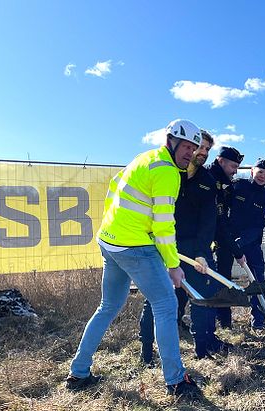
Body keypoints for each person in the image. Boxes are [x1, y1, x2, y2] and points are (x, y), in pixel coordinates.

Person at [66, 119, 201, 397]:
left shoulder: (145, 158)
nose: (190, 153)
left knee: (108, 306)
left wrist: (116, 230)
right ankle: (176, 381)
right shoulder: (167, 173)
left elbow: (113, 190)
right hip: (135, 246)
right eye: (186, 146)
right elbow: (164, 224)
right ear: (171, 142)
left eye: (194, 149)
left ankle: (78, 373)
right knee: (165, 304)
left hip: (110, 241)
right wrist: (173, 265)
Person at [139, 130, 229, 361]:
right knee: (157, 298)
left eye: (208, 149)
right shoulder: (168, 173)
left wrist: (201, 252)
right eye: (199, 146)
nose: (203, 153)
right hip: (161, 245)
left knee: (200, 297)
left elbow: (208, 222)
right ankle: (147, 352)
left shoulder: (208, 183)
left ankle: (201, 349)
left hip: (192, 249)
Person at [228, 158, 265, 329]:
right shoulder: (238, 185)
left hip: (251, 243)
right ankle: (223, 321)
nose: (263, 176)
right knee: (221, 278)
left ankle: (258, 320)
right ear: (253, 171)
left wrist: (242, 243)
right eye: (260, 172)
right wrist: (230, 241)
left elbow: (260, 225)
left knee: (258, 281)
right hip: (228, 239)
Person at [208, 146, 246, 329]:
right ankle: (186, 321)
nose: (235, 171)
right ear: (220, 160)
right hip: (204, 237)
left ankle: (224, 320)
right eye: (233, 166)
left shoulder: (227, 182)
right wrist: (236, 250)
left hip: (221, 238)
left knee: (224, 277)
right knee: (206, 280)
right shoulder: (209, 178)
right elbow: (219, 219)